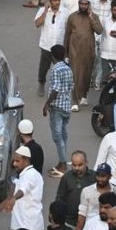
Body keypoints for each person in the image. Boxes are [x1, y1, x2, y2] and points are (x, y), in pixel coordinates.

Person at [45, 44, 75, 176]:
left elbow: (55, 90)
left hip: (57, 106)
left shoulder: (56, 69)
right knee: (63, 134)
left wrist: (46, 104)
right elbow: (71, 86)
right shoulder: (68, 68)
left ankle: (63, 164)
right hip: (66, 106)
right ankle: (62, 161)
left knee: (57, 136)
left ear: (52, 56)